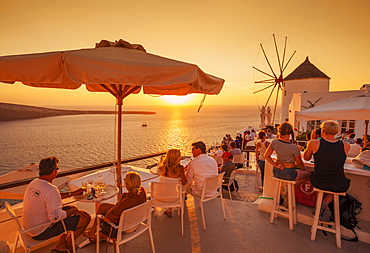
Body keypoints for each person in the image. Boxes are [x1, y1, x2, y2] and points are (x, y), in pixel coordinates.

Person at [22, 157, 91, 253]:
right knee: (86, 218)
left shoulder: (34, 183)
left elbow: (52, 197)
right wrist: (73, 211)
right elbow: (54, 218)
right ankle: (66, 245)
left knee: (70, 208)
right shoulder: (51, 189)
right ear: (54, 171)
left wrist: (73, 193)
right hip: (41, 231)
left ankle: (61, 243)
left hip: (29, 228)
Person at [304, 120, 351, 219]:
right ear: (337, 131)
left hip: (319, 181)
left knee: (321, 182)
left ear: (323, 130)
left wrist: (312, 141)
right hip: (338, 183)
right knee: (335, 186)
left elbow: (306, 158)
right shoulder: (346, 145)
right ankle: (325, 204)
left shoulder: (314, 143)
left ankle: (322, 205)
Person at [84, 172, 147, 241]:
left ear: (127, 184)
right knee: (103, 207)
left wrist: (120, 201)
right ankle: (92, 233)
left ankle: (97, 234)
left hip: (124, 226)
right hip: (135, 219)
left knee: (101, 215)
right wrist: (123, 197)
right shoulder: (142, 191)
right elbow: (124, 205)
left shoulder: (126, 202)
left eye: (125, 180)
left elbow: (109, 217)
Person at [157, 149, 187, 217]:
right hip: (174, 197)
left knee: (167, 187)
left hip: (160, 196)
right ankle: (170, 209)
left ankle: (168, 210)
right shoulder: (180, 168)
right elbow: (184, 182)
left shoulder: (163, 167)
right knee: (176, 189)